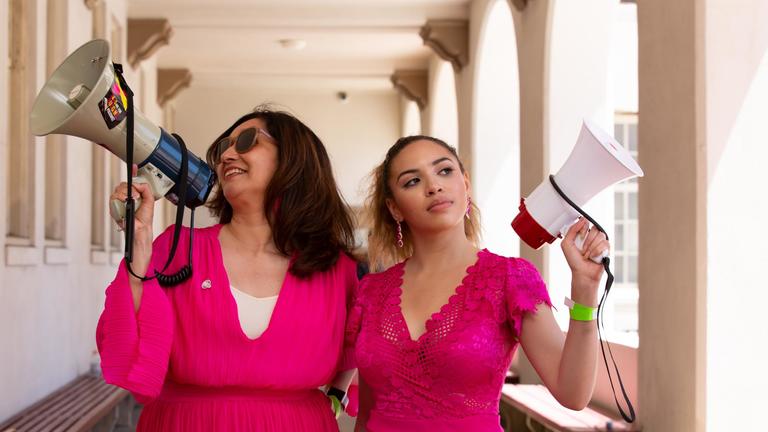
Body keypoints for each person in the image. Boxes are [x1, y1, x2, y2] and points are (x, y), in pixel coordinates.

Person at [96, 107, 359, 431]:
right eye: (223, 148)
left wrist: (337, 395)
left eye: (248, 141)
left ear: (294, 159)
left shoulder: (336, 269)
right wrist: (139, 246)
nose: (228, 155)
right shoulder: (174, 248)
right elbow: (126, 355)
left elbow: (361, 349)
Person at [343, 135, 609, 432]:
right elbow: (367, 415)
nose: (434, 186)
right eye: (412, 182)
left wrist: (585, 290)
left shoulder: (509, 279)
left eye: (444, 171)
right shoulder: (372, 291)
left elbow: (572, 393)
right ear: (395, 209)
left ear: (465, 184)